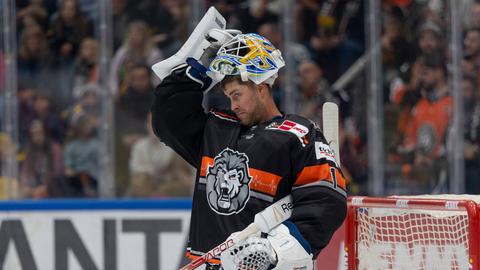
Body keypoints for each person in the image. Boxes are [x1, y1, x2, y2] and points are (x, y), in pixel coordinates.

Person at [151, 32, 346, 269]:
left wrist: (276, 249)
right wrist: (196, 70)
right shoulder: (216, 129)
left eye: (237, 95)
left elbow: (326, 201)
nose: (233, 105)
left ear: (261, 87)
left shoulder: (298, 134)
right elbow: (167, 121)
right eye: (228, 97)